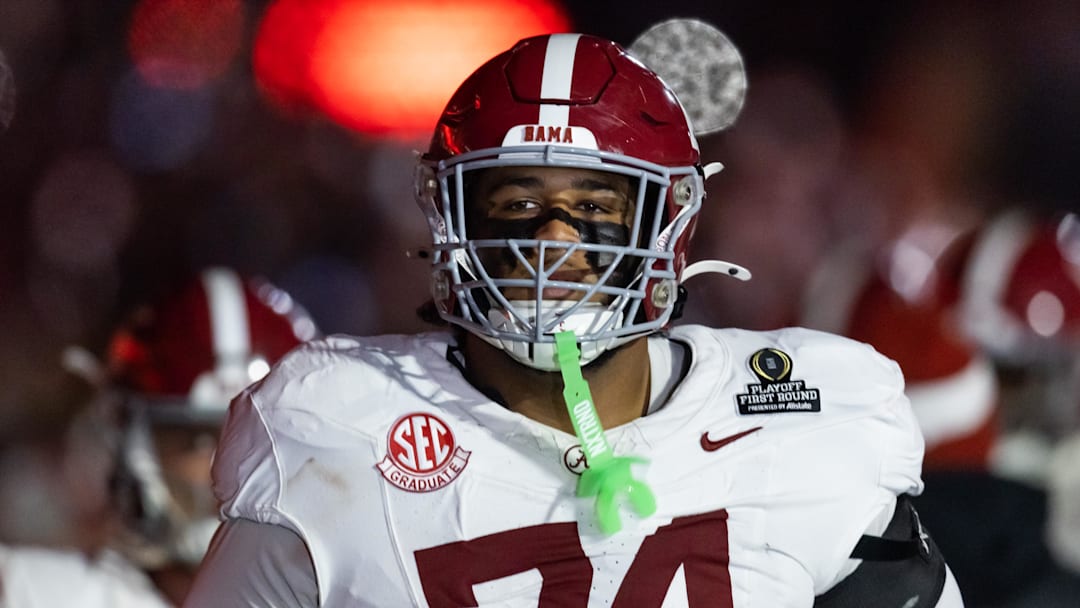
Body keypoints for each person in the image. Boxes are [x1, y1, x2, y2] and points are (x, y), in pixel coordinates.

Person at [184, 33, 964, 607]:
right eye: (516, 203)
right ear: (452, 218)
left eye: (596, 209)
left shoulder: (805, 414)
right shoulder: (337, 423)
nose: (555, 241)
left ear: (670, 223)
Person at [0, 267, 317, 607]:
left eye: (264, 443)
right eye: (198, 439)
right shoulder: (39, 594)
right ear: (131, 442)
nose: (238, 470)